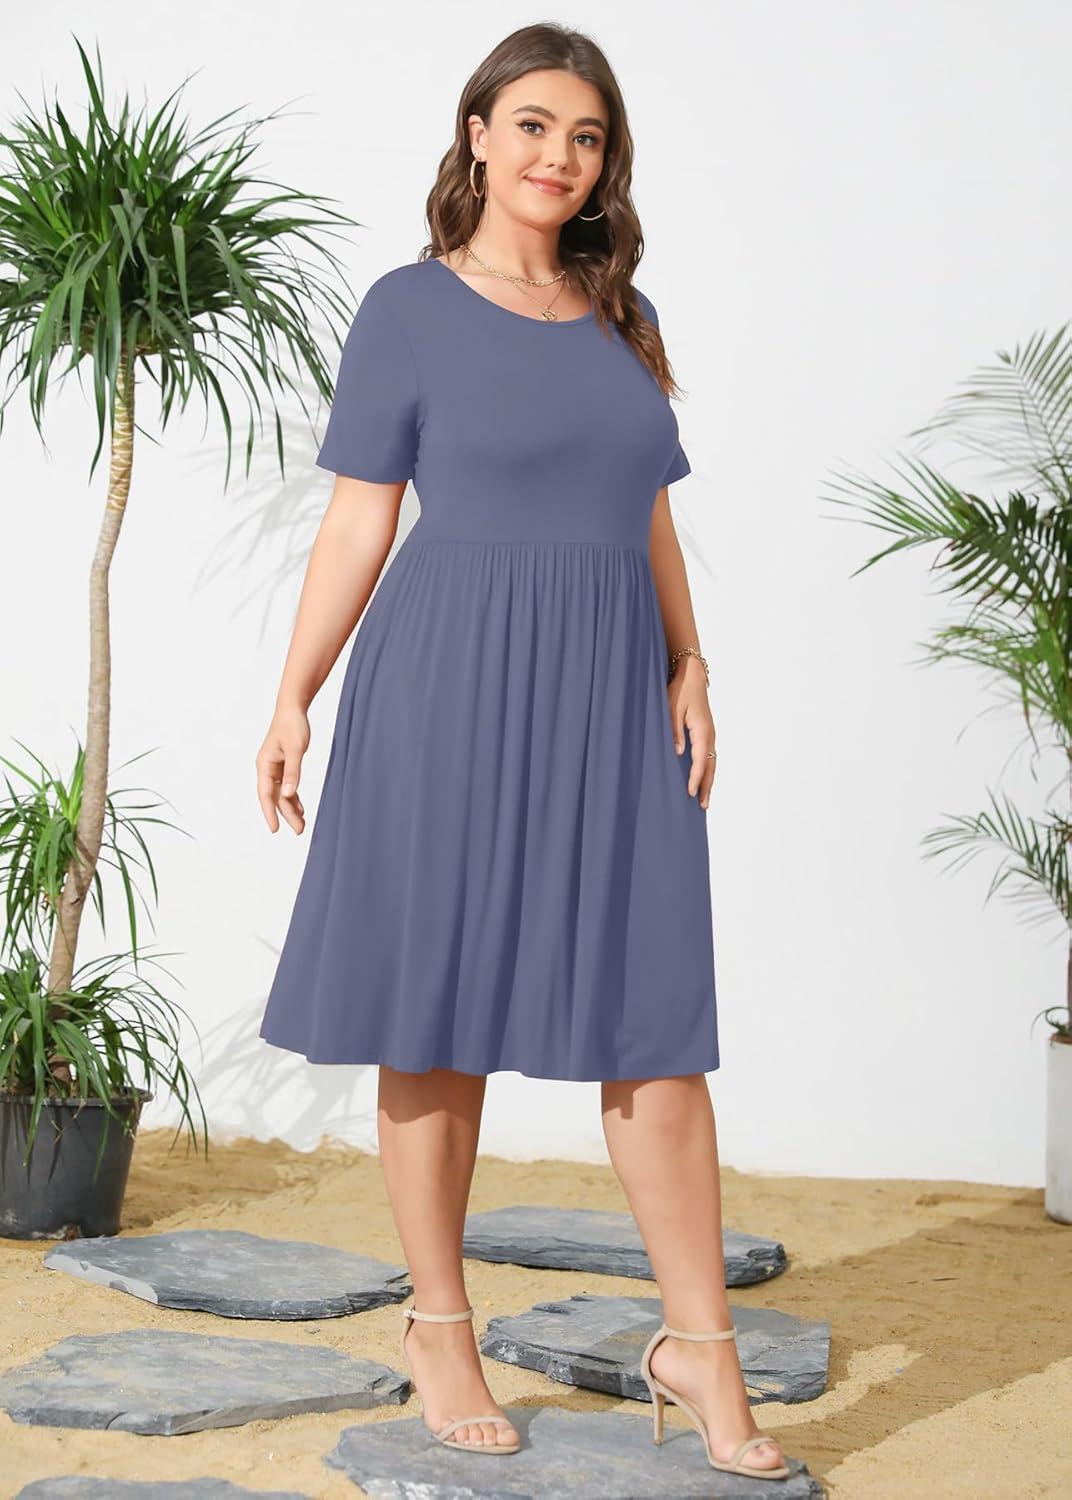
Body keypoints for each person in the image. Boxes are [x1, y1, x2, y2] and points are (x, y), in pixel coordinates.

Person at [255, 20, 790, 1483]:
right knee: (433, 1016)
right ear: (479, 136)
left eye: (588, 136)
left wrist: (690, 660)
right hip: (448, 682)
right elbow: (360, 518)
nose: (561, 155)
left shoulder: (624, 313)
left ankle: (701, 1344)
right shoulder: (407, 307)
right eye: (536, 125)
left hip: (613, 690)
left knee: (656, 1024)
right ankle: (440, 1328)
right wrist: (295, 696)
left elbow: (650, 506)